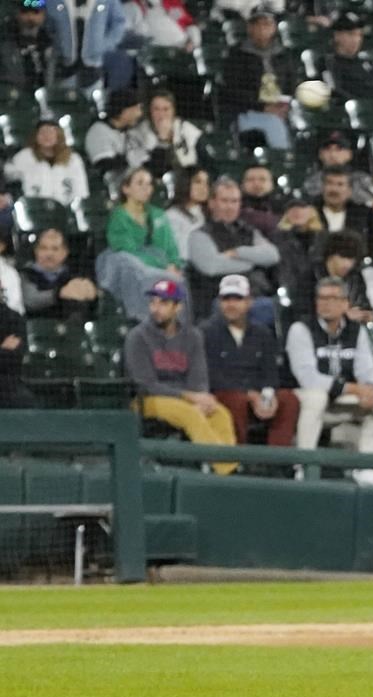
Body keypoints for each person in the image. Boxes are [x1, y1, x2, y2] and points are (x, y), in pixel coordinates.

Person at [285, 277, 373, 484]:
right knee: (316, 397)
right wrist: (353, 388)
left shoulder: (355, 330)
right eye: (322, 298)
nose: (327, 303)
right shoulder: (301, 329)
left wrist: (370, 388)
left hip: (339, 398)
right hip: (302, 398)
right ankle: (304, 465)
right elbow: (307, 378)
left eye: (334, 298)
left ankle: (367, 466)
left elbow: (366, 369)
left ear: (345, 304)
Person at [124, 280, 237, 474]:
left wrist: (201, 398)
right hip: (146, 400)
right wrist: (190, 398)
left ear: (178, 307)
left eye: (164, 303)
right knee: (190, 415)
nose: (156, 308)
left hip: (186, 399)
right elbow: (145, 384)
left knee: (220, 414)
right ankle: (226, 471)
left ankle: (229, 469)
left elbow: (199, 378)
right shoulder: (138, 337)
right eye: (153, 302)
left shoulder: (193, 336)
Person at [201, 274, 300, 446]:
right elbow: (211, 376)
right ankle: (238, 459)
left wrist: (268, 396)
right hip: (225, 393)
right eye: (226, 299)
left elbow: (271, 373)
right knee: (236, 400)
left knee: (289, 399)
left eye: (237, 299)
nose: (231, 305)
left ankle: (278, 461)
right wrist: (249, 395)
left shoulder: (262, 333)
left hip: (257, 393)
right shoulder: (206, 332)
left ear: (249, 302)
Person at [187, 177, 281, 323]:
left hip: (255, 295)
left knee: (280, 307)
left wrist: (238, 253)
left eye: (234, 201)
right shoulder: (199, 235)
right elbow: (212, 266)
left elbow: (273, 255)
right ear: (212, 203)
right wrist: (254, 262)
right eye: (224, 201)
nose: (230, 207)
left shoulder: (249, 231)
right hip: (219, 299)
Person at [102, 167, 184, 317]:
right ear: (126, 188)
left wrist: (174, 264)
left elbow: (171, 246)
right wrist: (164, 266)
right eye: (140, 183)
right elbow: (127, 250)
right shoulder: (118, 217)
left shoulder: (158, 215)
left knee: (180, 280)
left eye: (149, 184)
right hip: (136, 271)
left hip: (163, 269)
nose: (146, 188)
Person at [219, 6, 294, 150]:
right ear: (249, 28)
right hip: (248, 111)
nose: (261, 29)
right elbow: (232, 90)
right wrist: (263, 107)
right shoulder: (237, 54)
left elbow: (291, 84)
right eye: (257, 24)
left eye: (266, 24)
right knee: (274, 124)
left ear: (274, 27)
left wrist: (284, 104)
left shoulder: (284, 54)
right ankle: (281, 160)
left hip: (281, 109)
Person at [45, 0, 131, 91]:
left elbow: (119, 22)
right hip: (64, 67)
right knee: (64, 101)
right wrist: (60, 44)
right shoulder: (54, 2)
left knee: (92, 100)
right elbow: (49, 26)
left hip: (93, 67)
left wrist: (104, 44)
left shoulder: (107, 1)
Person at [3, 121, 89, 207]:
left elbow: (81, 191)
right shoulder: (24, 156)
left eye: (50, 132)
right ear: (36, 137)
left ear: (59, 135)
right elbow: (9, 179)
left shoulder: (73, 159)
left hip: (67, 210)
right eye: (42, 132)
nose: (46, 136)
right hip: (34, 209)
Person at [20, 228, 98, 321]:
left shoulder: (74, 275)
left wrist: (94, 295)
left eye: (55, 249)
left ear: (65, 252)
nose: (49, 254)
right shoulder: (25, 274)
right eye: (44, 248)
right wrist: (59, 293)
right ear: (36, 251)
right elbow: (30, 301)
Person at [319, 12, 373, 102]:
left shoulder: (367, 64)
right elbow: (335, 93)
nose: (357, 40)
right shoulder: (328, 63)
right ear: (337, 36)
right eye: (351, 34)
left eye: (359, 35)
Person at [127, 90, 202, 176]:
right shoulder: (138, 133)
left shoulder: (184, 128)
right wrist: (161, 140)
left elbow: (194, 161)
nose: (161, 115)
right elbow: (134, 165)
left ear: (173, 111)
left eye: (166, 109)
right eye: (156, 109)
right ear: (150, 111)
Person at [271, 197, 326, 305]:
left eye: (301, 208)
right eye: (292, 208)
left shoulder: (324, 238)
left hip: (319, 291)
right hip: (289, 291)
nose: (297, 211)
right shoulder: (277, 238)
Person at [301, 132, 373, 206]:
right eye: (327, 149)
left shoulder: (362, 179)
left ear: (349, 154)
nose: (332, 154)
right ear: (320, 154)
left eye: (339, 149)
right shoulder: (311, 182)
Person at [315, 166, 373, 245]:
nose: (334, 189)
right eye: (329, 183)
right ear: (322, 187)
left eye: (340, 184)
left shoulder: (365, 215)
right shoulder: (310, 212)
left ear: (349, 190)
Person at [0, 0, 56, 93]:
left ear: (43, 15)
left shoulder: (49, 42)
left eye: (35, 13)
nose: (30, 18)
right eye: (24, 12)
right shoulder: (4, 41)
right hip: (12, 97)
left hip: (43, 96)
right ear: (17, 14)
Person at [85, 88, 143, 175]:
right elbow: (105, 166)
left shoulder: (132, 128)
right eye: (136, 108)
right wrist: (132, 159)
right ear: (124, 111)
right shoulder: (98, 132)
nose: (140, 113)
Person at [165, 166, 209, 262]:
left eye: (206, 183)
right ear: (185, 183)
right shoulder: (172, 216)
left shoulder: (207, 213)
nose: (204, 187)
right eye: (198, 182)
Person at [238, 164, 283, 236]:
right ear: (242, 184)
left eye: (262, 179)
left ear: (272, 184)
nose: (256, 184)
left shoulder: (284, 208)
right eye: (250, 180)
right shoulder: (234, 208)